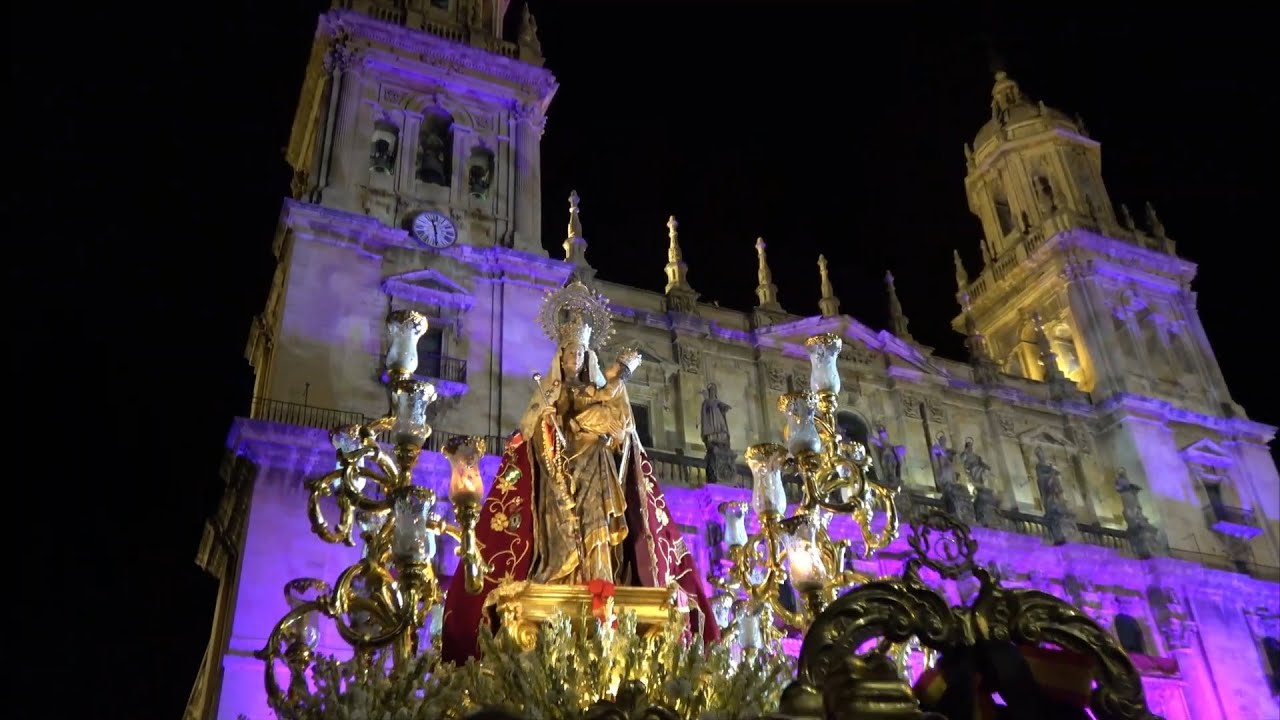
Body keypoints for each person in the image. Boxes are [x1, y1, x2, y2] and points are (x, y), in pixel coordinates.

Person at [441, 282, 720, 662]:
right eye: (568, 354)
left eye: (578, 353)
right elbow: (528, 429)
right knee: (558, 526)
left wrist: (606, 403)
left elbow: (621, 428)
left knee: (599, 521)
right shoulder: (548, 393)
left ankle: (602, 574)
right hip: (555, 474)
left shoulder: (601, 390)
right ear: (561, 357)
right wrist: (549, 422)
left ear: (587, 355)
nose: (573, 359)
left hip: (597, 467)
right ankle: (559, 575)